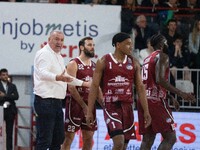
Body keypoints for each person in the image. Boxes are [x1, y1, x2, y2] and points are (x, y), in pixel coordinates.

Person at [86, 32, 151, 150]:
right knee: (119, 142)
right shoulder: (104, 61)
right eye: (127, 44)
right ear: (118, 45)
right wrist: (90, 111)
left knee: (124, 145)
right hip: (111, 106)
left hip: (128, 107)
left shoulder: (134, 62)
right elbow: (94, 86)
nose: (131, 47)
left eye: (131, 44)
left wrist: (146, 111)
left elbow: (140, 88)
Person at [33, 30, 90, 150]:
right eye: (56, 39)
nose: (59, 42)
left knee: (58, 139)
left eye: (62, 40)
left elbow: (67, 78)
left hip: (57, 102)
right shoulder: (44, 53)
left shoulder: (58, 56)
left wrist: (84, 83)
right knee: (44, 140)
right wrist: (58, 77)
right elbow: (42, 73)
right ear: (49, 40)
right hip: (45, 101)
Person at [137, 34, 196, 150]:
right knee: (170, 137)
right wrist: (182, 94)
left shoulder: (147, 59)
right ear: (162, 43)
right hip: (155, 101)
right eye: (166, 42)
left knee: (148, 139)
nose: (167, 44)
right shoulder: (162, 56)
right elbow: (160, 80)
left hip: (144, 100)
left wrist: (168, 96)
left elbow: (150, 83)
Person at [62, 37, 103, 150]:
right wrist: (84, 106)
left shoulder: (95, 66)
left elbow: (97, 88)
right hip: (75, 104)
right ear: (81, 47)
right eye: (89, 45)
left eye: (93, 45)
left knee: (89, 138)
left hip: (90, 104)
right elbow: (71, 87)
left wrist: (104, 104)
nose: (92, 47)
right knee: (68, 138)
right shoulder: (73, 63)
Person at [0, 68, 19, 150]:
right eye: (3, 75)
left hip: (10, 111)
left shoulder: (12, 85)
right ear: (0, 76)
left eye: (6, 75)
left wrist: (5, 96)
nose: (5, 76)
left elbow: (16, 96)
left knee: (9, 133)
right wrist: (9, 97)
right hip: (1, 109)